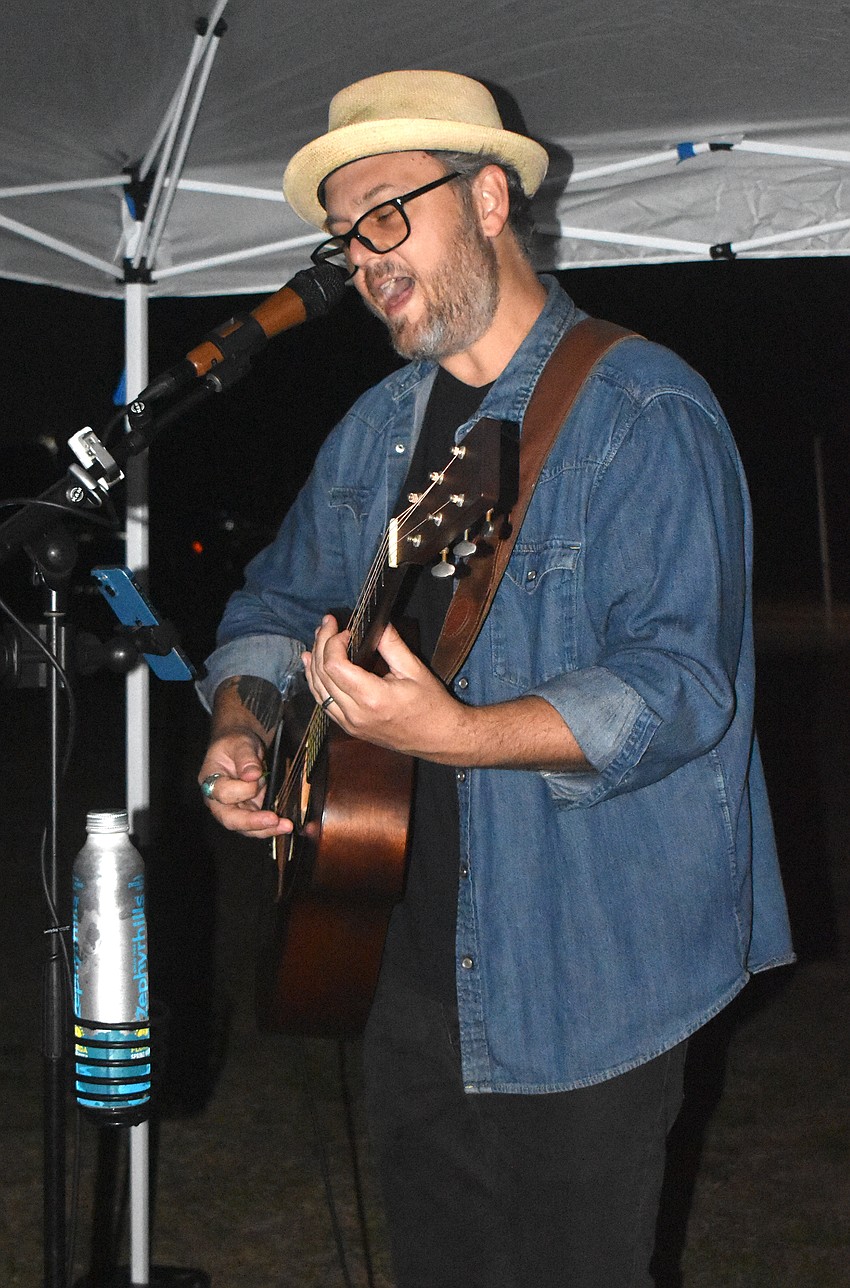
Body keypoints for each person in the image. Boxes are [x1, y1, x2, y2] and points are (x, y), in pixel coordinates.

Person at [196, 69, 794, 1288]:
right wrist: (241, 725)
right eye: (341, 235)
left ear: (484, 197)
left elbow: (680, 685)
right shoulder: (375, 428)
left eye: (383, 217)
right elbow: (269, 600)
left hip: (587, 965)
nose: (359, 259)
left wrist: (456, 732)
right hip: (399, 946)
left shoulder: (639, 409)